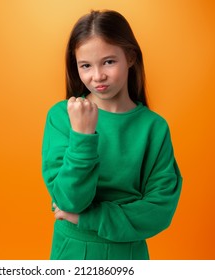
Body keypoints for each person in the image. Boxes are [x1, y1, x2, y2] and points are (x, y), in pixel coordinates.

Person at [41, 9, 182, 260]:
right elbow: (69, 200)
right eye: (86, 65)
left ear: (129, 57)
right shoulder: (62, 117)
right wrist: (83, 136)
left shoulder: (154, 128)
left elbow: (159, 211)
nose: (98, 76)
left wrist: (88, 217)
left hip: (129, 255)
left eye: (108, 61)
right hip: (72, 253)